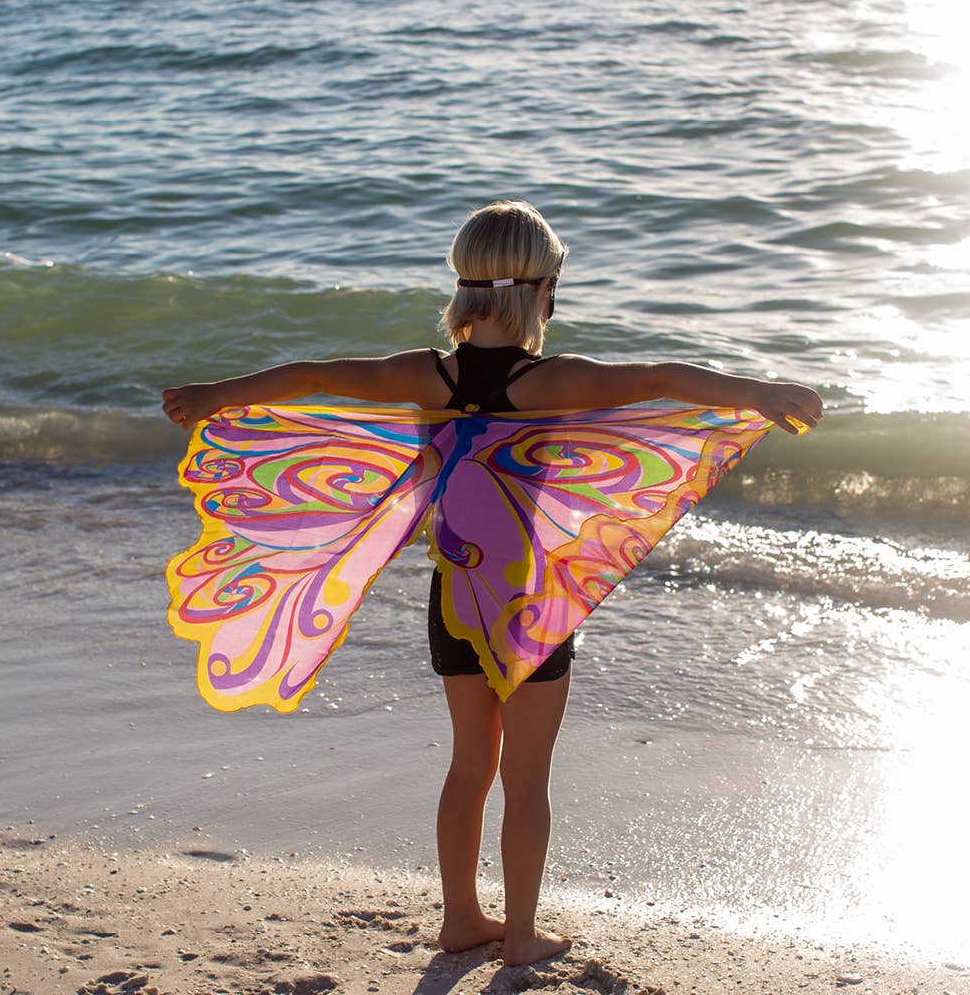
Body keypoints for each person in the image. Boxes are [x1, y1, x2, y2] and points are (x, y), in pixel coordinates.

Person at [162, 200, 823, 967]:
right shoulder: (550, 383)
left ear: (466, 286)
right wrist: (757, 393)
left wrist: (218, 395)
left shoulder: (422, 374)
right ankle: (520, 936)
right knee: (527, 776)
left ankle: (460, 920)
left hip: (452, 601)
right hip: (529, 610)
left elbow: (313, 373)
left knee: (469, 764)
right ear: (543, 290)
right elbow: (654, 377)